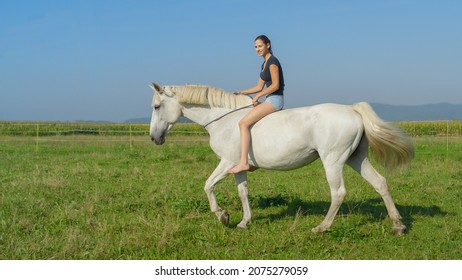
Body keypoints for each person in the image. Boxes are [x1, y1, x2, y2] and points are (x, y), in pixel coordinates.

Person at [228, 35, 285, 174]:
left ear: (268, 45)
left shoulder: (272, 62)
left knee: (243, 123)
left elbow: (276, 85)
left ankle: (243, 162)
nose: (257, 49)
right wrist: (242, 92)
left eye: (260, 46)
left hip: (275, 99)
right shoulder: (264, 64)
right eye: (255, 47)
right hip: (269, 99)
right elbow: (259, 86)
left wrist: (259, 96)